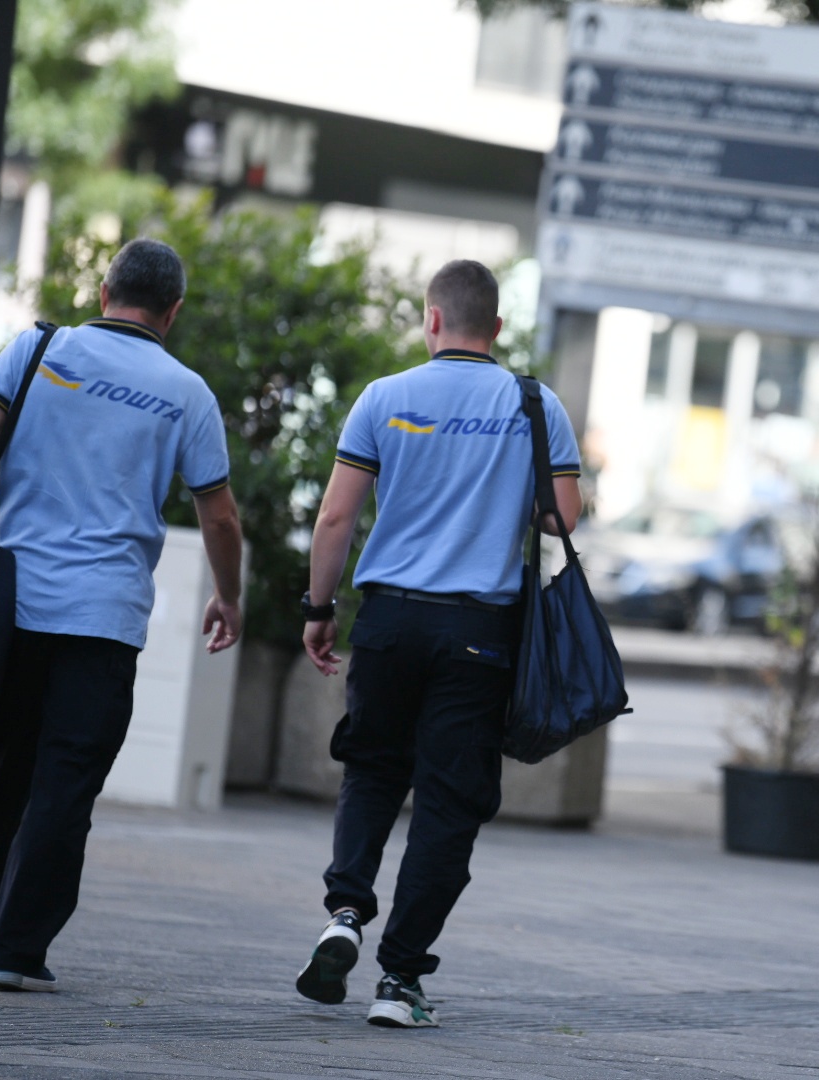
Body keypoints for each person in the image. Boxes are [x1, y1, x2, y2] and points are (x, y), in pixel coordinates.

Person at [0, 238, 243, 992]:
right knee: (66, 784)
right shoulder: (187, 391)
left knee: (1, 766)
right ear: (172, 313)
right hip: (103, 618)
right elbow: (222, 521)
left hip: (14, 604)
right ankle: (17, 951)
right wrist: (228, 595)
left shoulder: (40, 347)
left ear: (105, 289)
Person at [296, 259, 581, 1028]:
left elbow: (334, 520)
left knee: (372, 768)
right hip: (478, 634)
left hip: (389, 621)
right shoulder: (534, 403)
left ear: (431, 320)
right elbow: (563, 518)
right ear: (496, 328)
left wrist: (319, 608)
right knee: (449, 805)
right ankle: (398, 982)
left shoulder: (385, 398)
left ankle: (345, 912)